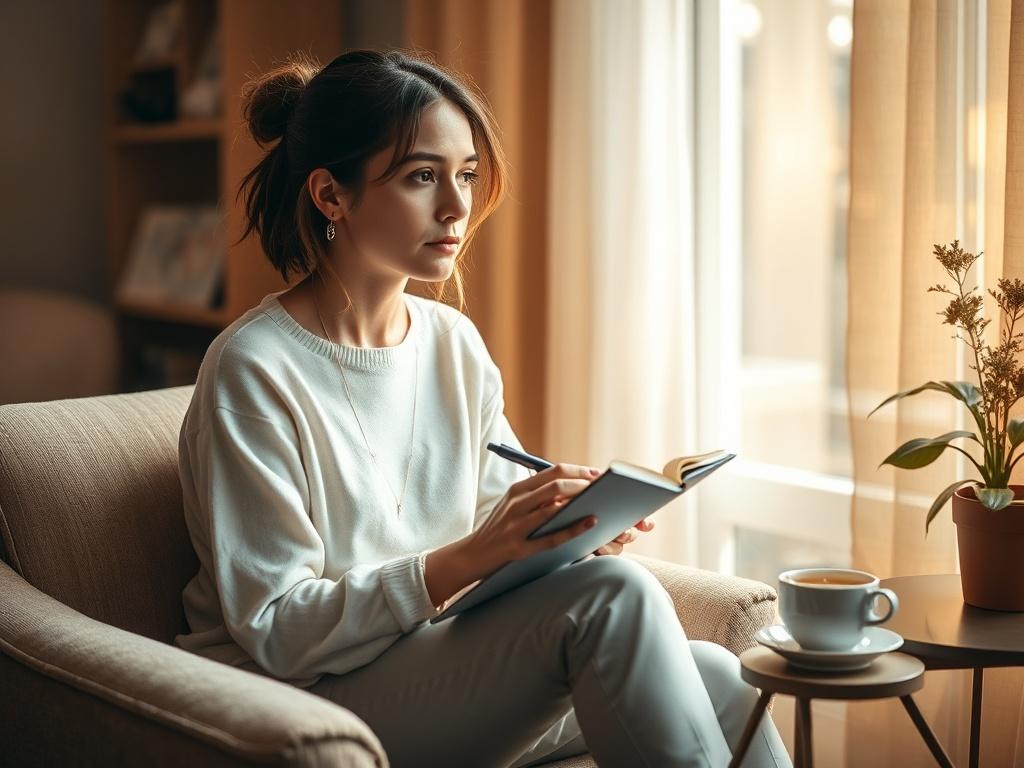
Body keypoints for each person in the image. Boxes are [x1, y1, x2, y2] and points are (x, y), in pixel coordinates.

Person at [174, 49, 791, 768]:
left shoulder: (452, 345)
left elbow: (496, 526)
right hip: (309, 699)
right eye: (422, 176)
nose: (456, 206)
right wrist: (469, 556)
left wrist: (564, 530)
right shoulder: (253, 368)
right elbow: (279, 629)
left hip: (426, 659)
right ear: (331, 196)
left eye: (465, 174)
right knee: (612, 597)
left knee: (718, 675)